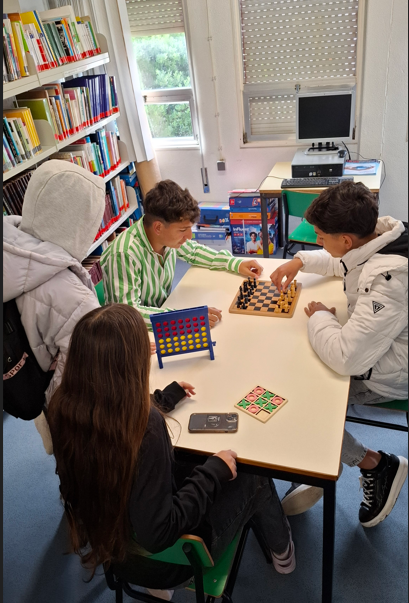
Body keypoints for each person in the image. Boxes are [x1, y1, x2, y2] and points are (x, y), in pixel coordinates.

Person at [48, 304, 295, 596]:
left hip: (111, 549)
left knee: (191, 461)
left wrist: (162, 399)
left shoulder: (62, 407)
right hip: (167, 562)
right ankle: (283, 554)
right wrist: (211, 473)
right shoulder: (147, 427)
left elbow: (110, 418)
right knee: (254, 474)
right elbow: (159, 534)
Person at [270, 181, 408, 528]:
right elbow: (342, 264)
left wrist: (320, 316)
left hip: (391, 374)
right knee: (299, 372)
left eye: (320, 237)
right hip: (378, 350)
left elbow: (347, 358)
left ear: (345, 240)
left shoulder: (388, 280)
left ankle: (375, 464)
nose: (316, 241)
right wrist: (299, 261)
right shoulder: (379, 236)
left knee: (297, 400)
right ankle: (315, 455)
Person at [3, 160, 106, 454]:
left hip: (21, 376)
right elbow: (81, 376)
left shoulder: (11, 243)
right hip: (67, 408)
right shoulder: (74, 296)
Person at [100, 180, 263, 329]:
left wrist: (235, 263)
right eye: (183, 230)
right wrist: (184, 318)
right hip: (135, 334)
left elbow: (194, 251)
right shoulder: (124, 253)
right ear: (158, 227)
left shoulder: (164, 237)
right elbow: (127, 316)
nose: (189, 236)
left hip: (160, 315)